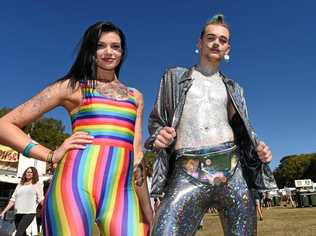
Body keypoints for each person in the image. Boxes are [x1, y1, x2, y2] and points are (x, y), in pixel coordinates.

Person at [0, 21, 152, 236]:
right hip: (72, 188)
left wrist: (148, 212)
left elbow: (137, 157)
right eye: (101, 46)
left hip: (122, 193)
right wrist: (50, 155)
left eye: (115, 46)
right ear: (90, 50)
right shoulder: (72, 87)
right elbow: (4, 125)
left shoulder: (135, 96)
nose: (109, 52)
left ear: (123, 51)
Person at [145, 14, 276, 235]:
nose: (217, 43)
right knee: (164, 230)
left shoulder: (234, 88)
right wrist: (158, 135)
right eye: (211, 37)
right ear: (200, 43)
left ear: (228, 49)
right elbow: (156, 120)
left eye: (223, 40)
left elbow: (245, 132)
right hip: (187, 170)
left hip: (232, 170)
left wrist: (259, 152)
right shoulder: (174, 78)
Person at [0, 167, 44, 236]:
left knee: (18, 234)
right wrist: (4, 211)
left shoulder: (37, 184)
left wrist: (47, 210)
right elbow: (13, 199)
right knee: (22, 233)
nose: (28, 173)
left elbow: (41, 199)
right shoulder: (20, 185)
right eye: (27, 172)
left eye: (30, 172)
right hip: (17, 213)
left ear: (34, 174)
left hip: (29, 213)